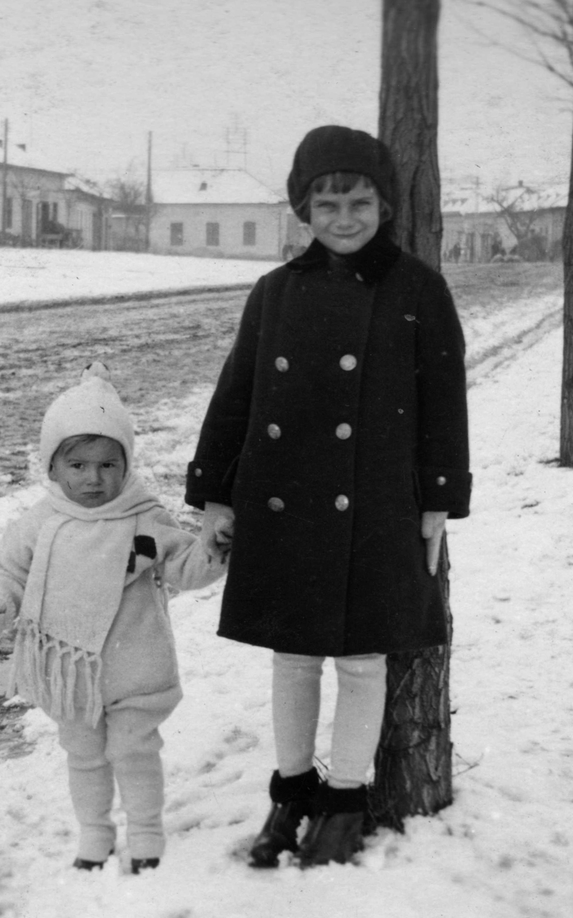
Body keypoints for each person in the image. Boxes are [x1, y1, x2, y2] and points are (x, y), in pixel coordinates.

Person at [185, 125, 471, 869]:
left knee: (363, 660)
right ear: (303, 212)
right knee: (292, 656)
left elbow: (444, 400)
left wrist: (438, 499)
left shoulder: (417, 289)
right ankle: (291, 791)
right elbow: (238, 394)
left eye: (361, 202)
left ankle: (345, 800)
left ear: (385, 206)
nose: (345, 218)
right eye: (327, 203)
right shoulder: (275, 291)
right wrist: (215, 492)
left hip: (378, 502)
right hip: (285, 495)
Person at [0, 364, 227, 874]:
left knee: (134, 751)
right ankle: (94, 830)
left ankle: (147, 831)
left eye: (108, 465)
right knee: (84, 754)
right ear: (53, 468)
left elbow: (183, 566)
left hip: (136, 663)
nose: (93, 478)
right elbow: (10, 574)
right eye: (79, 465)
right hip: (70, 674)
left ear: (126, 465)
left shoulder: (142, 517)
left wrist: (213, 549)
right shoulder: (39, 524)